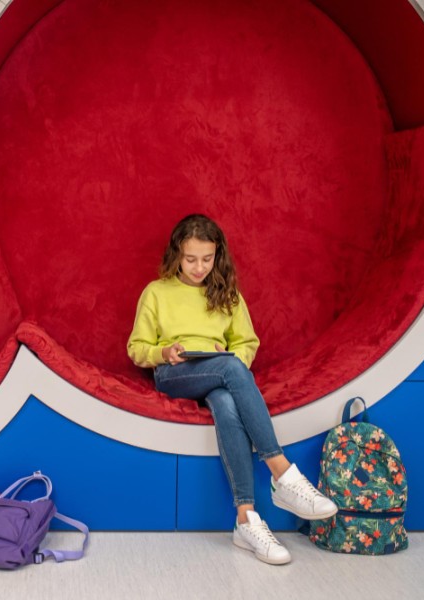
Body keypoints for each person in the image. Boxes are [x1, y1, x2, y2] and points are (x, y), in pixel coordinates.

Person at [127, 214, 337, 565]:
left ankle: (246, 519)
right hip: (174, 373)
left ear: (217, 255)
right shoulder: (157, 292)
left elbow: (247, 344)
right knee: (230, 370)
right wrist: (164, 352)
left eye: (206, 259)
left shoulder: (227, 294)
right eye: (190, 258)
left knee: (226, 401)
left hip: (218, 373)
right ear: (176, 253)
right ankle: (282, 472)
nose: (198, 268)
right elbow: (136, 348)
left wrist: (231, 357)